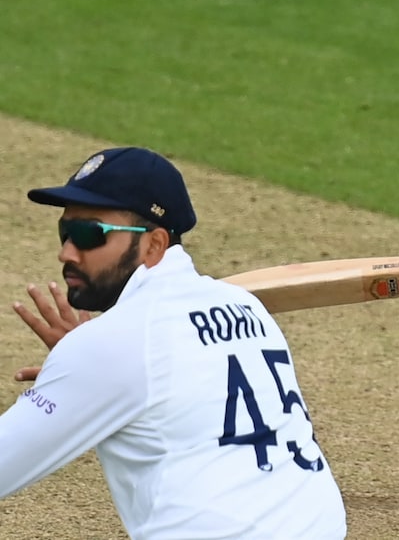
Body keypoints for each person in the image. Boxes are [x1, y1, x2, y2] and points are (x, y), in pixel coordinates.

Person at [2, 147, 347, 539]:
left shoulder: (113, 345)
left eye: (88, 234)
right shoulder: (245, 305)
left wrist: (86, 363)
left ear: (154, 245)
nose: (66, 252)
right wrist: (84, 370)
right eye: (66, 232)